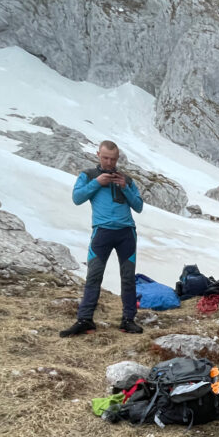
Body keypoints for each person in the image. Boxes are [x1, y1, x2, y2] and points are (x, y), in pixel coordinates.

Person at [60, 140, 145, 337]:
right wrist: (97, 183)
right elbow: (77, 198)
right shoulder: (88, 175)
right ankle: (85, 320)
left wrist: (125, 187)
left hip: (126, 233)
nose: (109, 162)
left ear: (118, 158)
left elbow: (138, 206)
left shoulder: (127, 180)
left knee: (128, 278)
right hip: (102, 232)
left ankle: (128, 320)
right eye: (105, 158)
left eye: (113, 159)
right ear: (98, 154)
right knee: (94, 275)